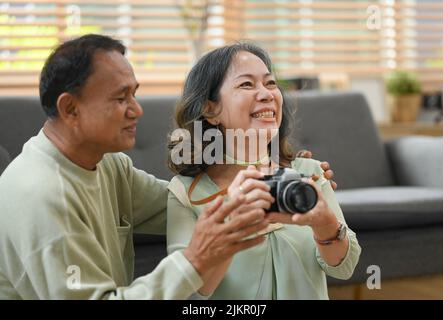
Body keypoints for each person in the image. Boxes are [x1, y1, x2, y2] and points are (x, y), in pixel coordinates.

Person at [0, 34, 275, 299]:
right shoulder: (41, 195)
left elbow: (186, 204)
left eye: (134, 94)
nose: (137, 110)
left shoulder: (108, 164)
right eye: (121, 98)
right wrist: (195, 260)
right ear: (70, 109)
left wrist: (285, 185)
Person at [166, 42, 361, 299]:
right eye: (246, 84)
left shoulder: (308, 172)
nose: (267, 94)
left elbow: (344, 267)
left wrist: (324, 222)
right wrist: (234, 222)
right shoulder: (186, 192)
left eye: (270, 83)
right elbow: (185, 293)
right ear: (210, 109)